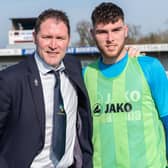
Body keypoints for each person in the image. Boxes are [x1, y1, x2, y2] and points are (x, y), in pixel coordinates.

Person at [0, 9, 93, 168]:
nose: (53, 45)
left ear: (68, 40)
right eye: (47, 37)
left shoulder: (73, 66)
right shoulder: (10, 80)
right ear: (34, 37)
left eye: (60, 38)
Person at [83, 2, 168, 168]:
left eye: (116, 30)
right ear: (92, 34)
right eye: (102, 32)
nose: (110, 38)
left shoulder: (149, 67)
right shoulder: (86, 75)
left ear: (126, 30)